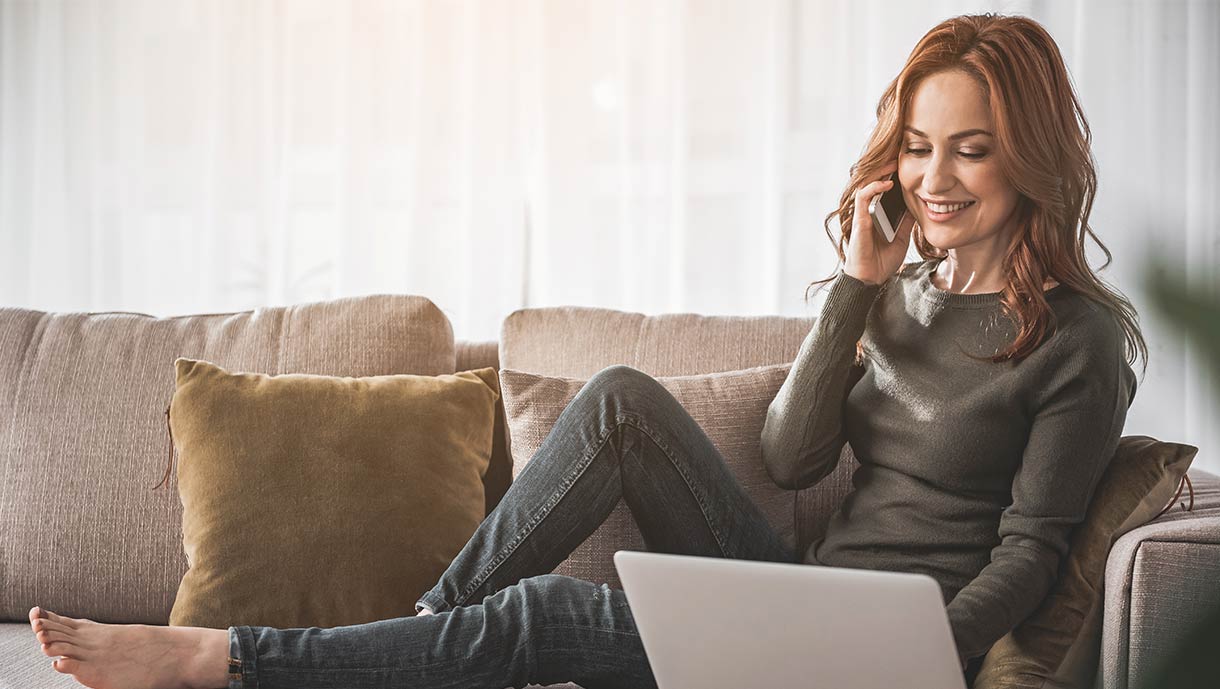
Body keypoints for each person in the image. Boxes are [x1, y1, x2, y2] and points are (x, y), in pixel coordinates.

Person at [26, 11, 1146, 689]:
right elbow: (795, 456)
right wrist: (854, 293)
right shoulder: (896, 290)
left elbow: (1028, 553)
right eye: (915, 147)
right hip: (804, 597)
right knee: (615, 398)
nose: (932, 179)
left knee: (550, 618)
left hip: (875, 649)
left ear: (1029, 158)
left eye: (968, 151)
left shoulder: (1076, 342)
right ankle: (419, 637)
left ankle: (229, 661)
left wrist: (894, 662)